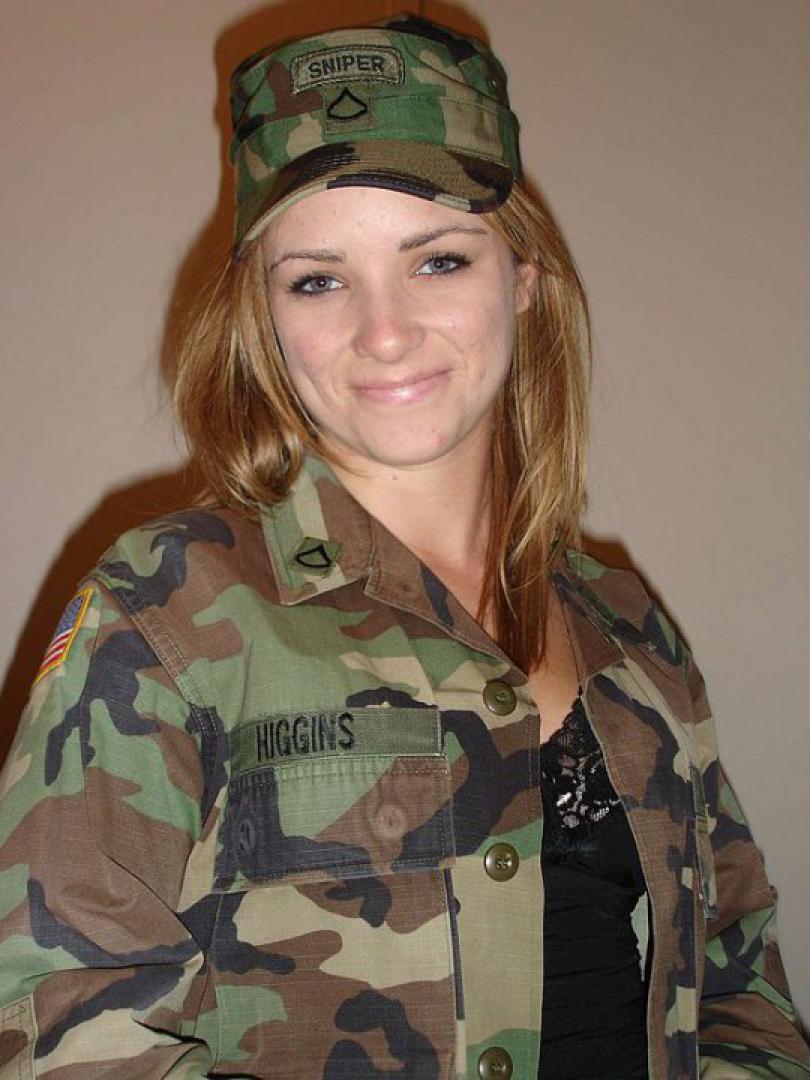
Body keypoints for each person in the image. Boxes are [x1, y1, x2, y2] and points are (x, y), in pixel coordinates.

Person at [0, 13, 807, 1080]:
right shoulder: (162, 609)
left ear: (522, 280)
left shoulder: (630, 623)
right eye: (318, 279)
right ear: (263, 316)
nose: (384, 333)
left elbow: (741, 987)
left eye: (438, 260)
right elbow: (59, 1033)